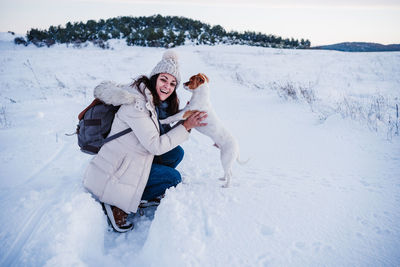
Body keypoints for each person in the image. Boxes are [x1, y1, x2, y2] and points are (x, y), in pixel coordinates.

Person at [83, 50, 207, 232]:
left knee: (176, 153)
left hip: (131, 158)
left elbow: (160, 134)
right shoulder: (137, 104)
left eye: (173, 83)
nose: (168, 86)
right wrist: (186, 126)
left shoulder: (153, 101)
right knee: (173, 178)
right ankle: (117, 203)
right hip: (115, 173)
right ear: (154, 78)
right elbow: (155, 145)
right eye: (164, 79)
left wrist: (183, 119)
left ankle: (143, 187)